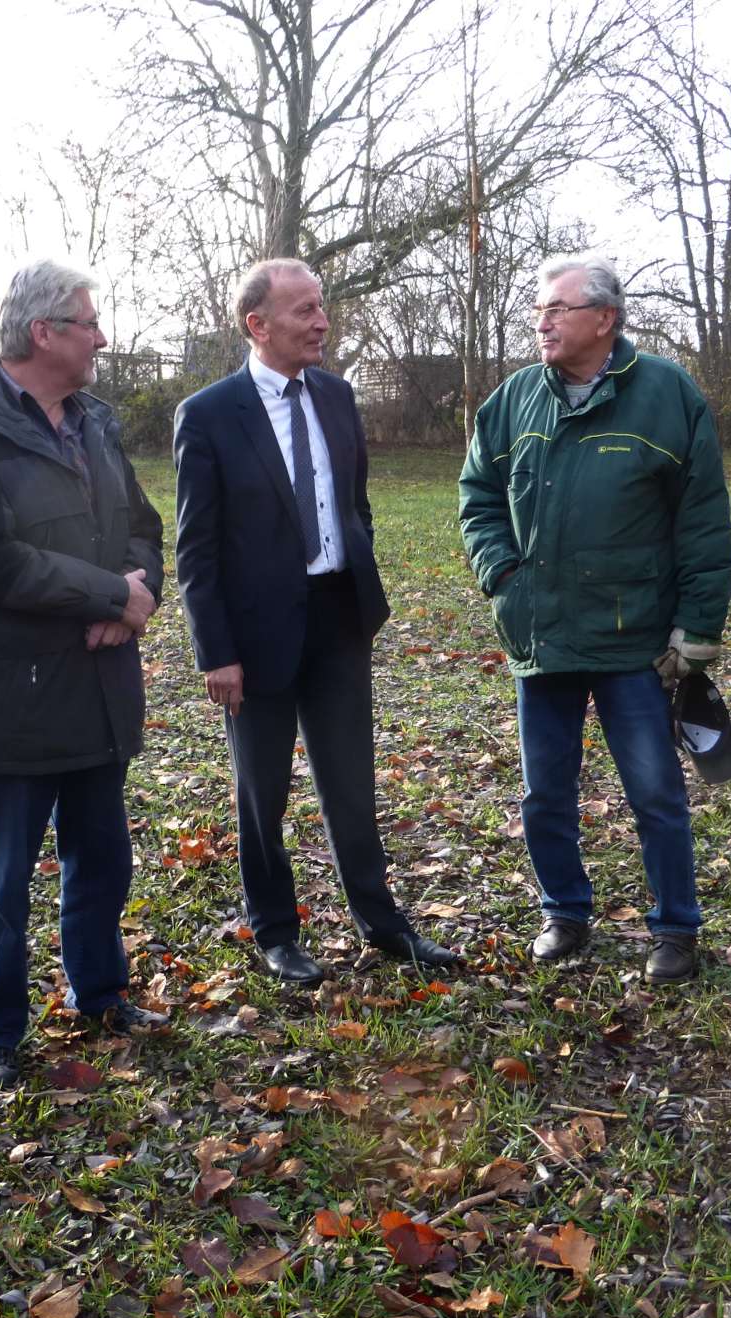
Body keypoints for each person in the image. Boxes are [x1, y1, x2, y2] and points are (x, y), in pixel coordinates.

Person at [0, 260, 172, 1090]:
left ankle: (98, 992)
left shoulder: (95, 422)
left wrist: (133, 596)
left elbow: (143, 526)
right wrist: (108, 593)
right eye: (90, 323)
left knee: (102, 859)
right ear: (44, 333)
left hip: (98, 685)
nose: (102, 338)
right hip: (13, 699)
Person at [173, 258, 457, 985]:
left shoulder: (337, 396)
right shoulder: (208, 414)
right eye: (304, 310)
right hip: (254, 633)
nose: (321, 321)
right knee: (260, 791)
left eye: (322, 307)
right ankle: (275, 930)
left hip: (338, 617)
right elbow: (196, 550)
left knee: (350, 781)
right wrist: (216, 651)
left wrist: (358, 577)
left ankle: (380, 921)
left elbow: (352, 501)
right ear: (257, 324)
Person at [457, 254, 731, 980]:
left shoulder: (668, 395)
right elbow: (478, 495)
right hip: (542, 633)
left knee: (654, 791)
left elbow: (702, 522)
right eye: (538, 310)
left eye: (558, 308)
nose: (542, 320)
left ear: (605, 319)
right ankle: (565, 913)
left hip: (632, 639)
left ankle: (675, 928)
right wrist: (502, 576)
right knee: (545, 792)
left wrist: (698, 628)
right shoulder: (515, 399)